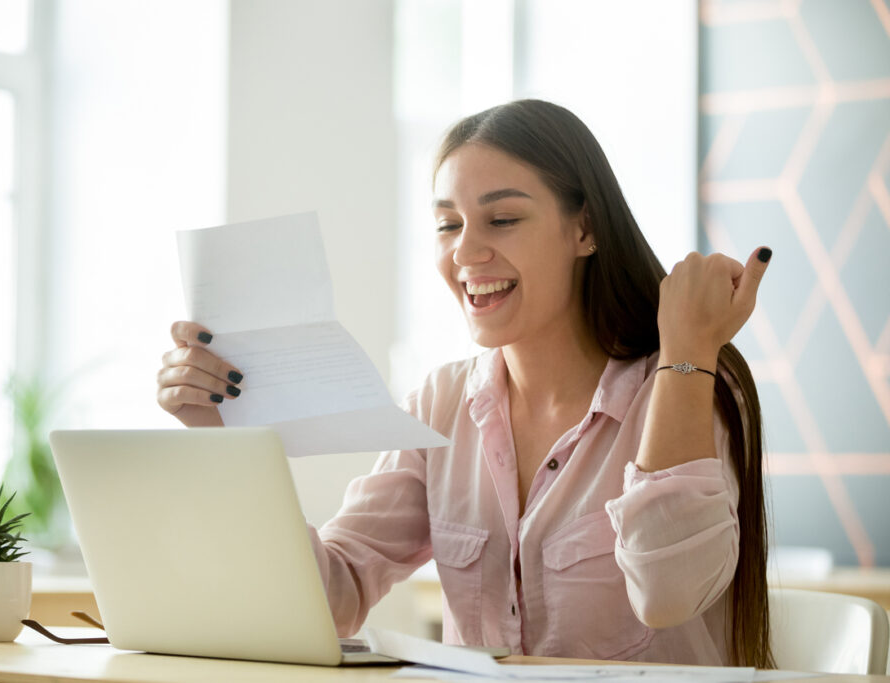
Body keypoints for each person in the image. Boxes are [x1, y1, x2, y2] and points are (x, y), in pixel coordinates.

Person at [156, 99, 774, 667]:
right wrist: (220, 438)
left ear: (584, 230)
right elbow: (329, 598)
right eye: (448, 225)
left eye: (502, 219)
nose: (465, 252)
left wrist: (688, 350)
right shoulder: (443, 403)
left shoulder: (685, 385)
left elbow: (668, 594)